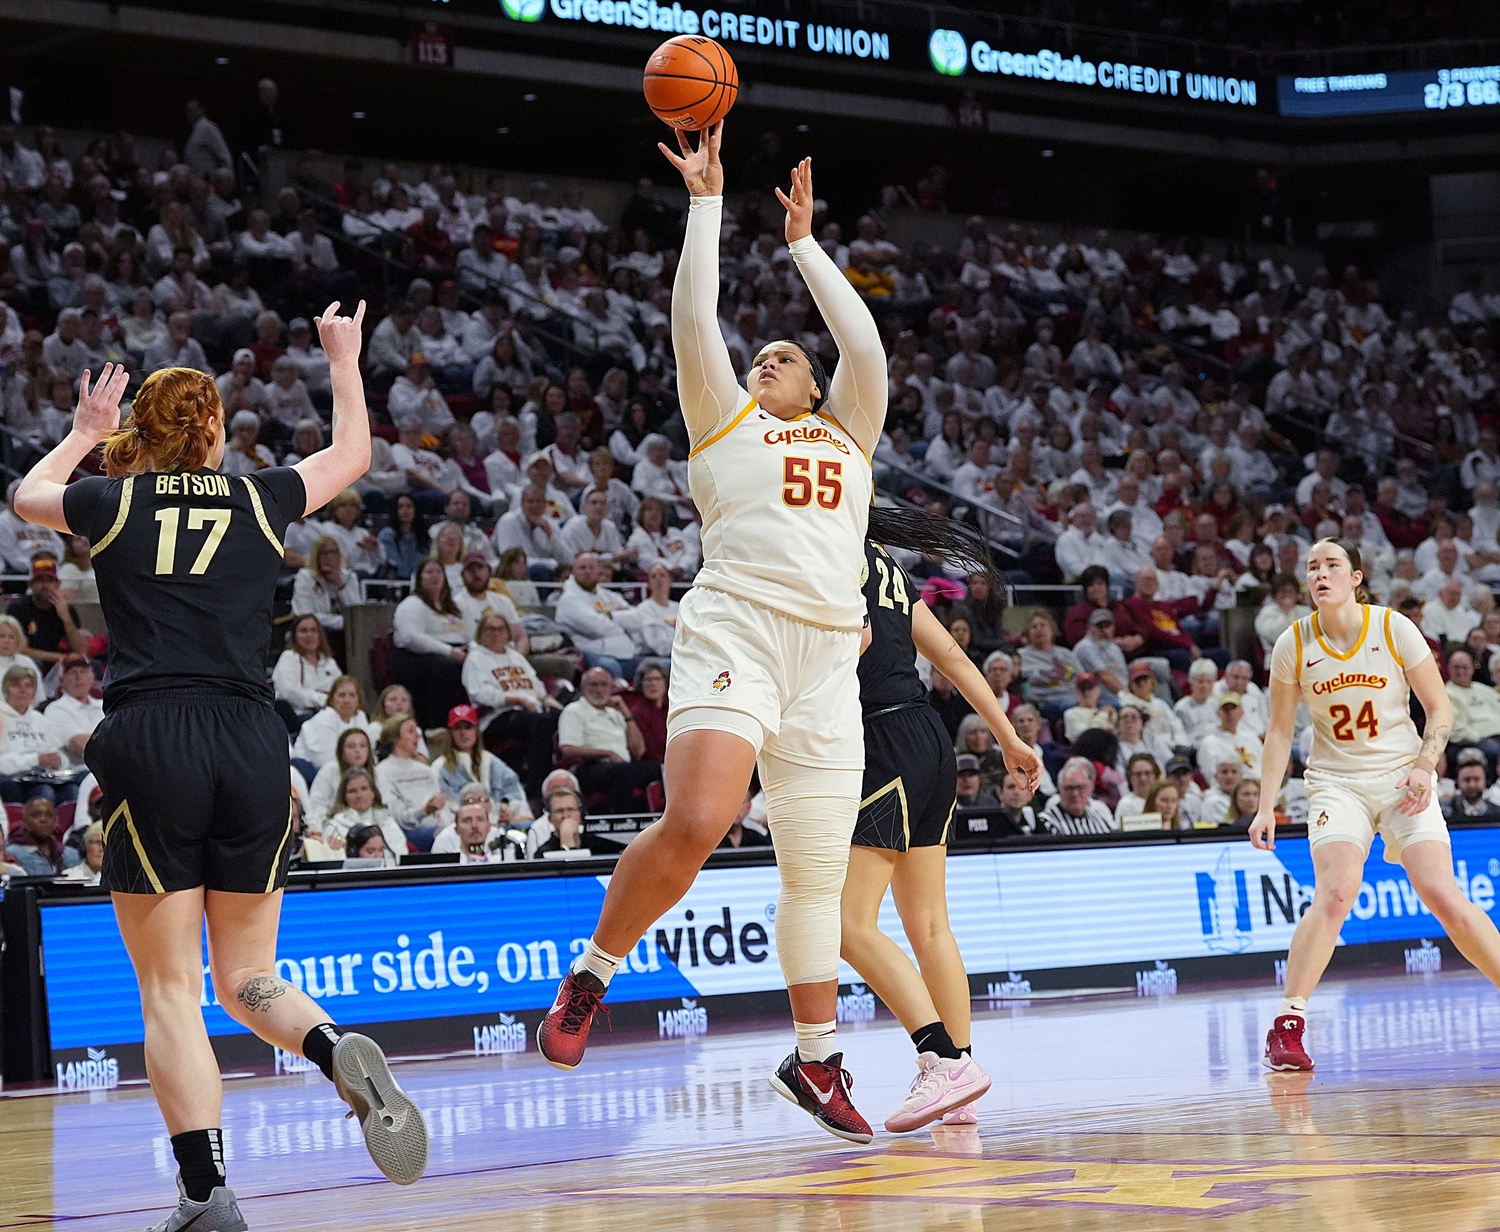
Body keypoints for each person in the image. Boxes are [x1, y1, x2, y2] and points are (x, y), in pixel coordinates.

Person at [13, 318, 425, 1229]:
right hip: (249, 737)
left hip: (154, 731)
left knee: (170, 989)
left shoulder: (111, 501)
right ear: (214, 432)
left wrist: (85, 431)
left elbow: (27, 494)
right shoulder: (261, 497)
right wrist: (344, 361)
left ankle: (206, 1195)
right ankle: (328, 1045)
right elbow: (353, 454)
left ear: (143, 433)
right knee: (248, 974)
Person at [537, 133, 888, 1144]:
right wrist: (706, 206)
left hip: (829, 655)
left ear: (813, 390)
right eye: (760, 356)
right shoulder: (724, 421)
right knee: (699, 816)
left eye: (785, 358)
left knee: (816, 871)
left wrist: (805, 246)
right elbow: (695, 317)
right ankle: (592, 975)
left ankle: (815, 1059)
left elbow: (862, 348)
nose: (766, 359)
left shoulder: (846, 430)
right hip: (738, 622)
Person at [1250, 538, 1500, 1075]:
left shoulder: (1393, 628)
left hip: (1402, 778)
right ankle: (1288, 1024)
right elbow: (1277, 731)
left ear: (1356, 577)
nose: (1320, 574)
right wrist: (1266, 804)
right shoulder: (1293, 643)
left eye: (1332, 565)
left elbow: (1439, 711)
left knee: (1443, 895)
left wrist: (1426, 765)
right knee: (1337, 892)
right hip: (1336, 782)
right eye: (1312, 567)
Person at [841, 540, 1039, 1133]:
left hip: (881, 741)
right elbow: (953, 658)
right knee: (929, 924)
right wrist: (1006, 736)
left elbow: (856, 643)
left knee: (844, 925)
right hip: (930, 737)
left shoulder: (825, 553)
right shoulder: (885, 565)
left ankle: (942, 1060)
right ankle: (965, 1080)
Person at [557, 666, 662, 813]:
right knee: (622, 773)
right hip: (589, 767)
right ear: (582, 687)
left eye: (604, 685)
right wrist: (607, 753)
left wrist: (626, 714)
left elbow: (639, 750)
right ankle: (623, 820)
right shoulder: (574, 711)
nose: (599, 690)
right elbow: (567, 749)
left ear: (611, 688)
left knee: (664, 768)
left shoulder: (616, 713)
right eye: (594, 685)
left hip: (623, 767)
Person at [391, 558, 468, 728]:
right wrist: (449, 651)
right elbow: (411, 638)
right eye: (429, 572)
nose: (435, 576)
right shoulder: (411, 605)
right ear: (419, 579)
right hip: (414, 658)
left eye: (438, 572)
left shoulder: (452, 607)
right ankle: (437, 726)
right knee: (446, 667)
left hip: (453, 652)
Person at [555, 551, 641, 680]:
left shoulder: (607, 595)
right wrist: (622, 626)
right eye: (582, 568)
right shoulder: (569, 599)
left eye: (591, 567)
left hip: (626, 651)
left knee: (660, 666)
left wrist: (610, 617)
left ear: (598, 570)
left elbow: (637, 619)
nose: (587, 572)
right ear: (573, 571)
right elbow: (597, 628)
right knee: (608, 667)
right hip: (590, 654)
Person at [0, 665, 77, 803]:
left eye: (28, 686)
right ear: (6, 689)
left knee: (72, 789)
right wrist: (36, 759)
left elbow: (59, 755)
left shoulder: (40, 719)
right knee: (44, 792)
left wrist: (59, 761)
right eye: (16, 686)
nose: (23, 691)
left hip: (45, 776)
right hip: (12, 780)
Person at [432, 704, 528, 815]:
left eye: (468, 727)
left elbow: (513, 787)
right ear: (450, 733)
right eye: (458, 728)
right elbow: (447, 805)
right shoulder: (440, 767)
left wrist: (506, 806)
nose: (463, 733)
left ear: (476, 731)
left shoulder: (491, 761)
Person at [374, 714, 450, 850]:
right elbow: (394, 817)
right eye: (410, 731)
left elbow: (443, 810)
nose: (417, 736)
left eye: (417, 731)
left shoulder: (426, 770)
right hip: (405, 834)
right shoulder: (382, 771)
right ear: (395, 738)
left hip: (436, 827)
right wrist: (424, 811)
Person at [10, 552, 89, 668]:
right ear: (30, 584)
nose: (44, 585)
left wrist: (66, 618)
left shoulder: (66, 609)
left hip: (61, 666)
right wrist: (59, 658)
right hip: (29, 663)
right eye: (39, 580)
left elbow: (82, 650)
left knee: (88, 666)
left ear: (58, 584)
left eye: (50, 580)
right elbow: (20, 649)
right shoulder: (18, 608)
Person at [313, 766, 405, 864]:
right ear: (344, 797)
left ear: (373, 793)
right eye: (352, 791)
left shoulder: (387, 822)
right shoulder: (334, 827)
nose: (359, 795)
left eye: (364, 789)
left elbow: (401, 855)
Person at [272, 614, 342, 728]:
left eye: (313, 630)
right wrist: (322, 699)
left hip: (331, 712)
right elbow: (289, 692)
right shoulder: (289, 657)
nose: (309, 635)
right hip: (301, 717)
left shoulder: (328, 661)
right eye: (303, 631)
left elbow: (341, 687)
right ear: (295, 636)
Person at [291, 675, 367, 776]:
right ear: (331, 700)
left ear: (358, 700)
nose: (347, 700)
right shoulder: (325, 718)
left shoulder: (360, 717)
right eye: (341, 695)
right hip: (314, 774)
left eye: (352, 695)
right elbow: (324, 761)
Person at [45, 653, 105, 772]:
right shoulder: (56, 709)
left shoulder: (104, 705)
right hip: (78, 772)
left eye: (83, 671)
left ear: (92, 677)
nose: (78, 677)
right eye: (72, 672)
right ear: (61, 681)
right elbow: (78, 745)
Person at [291, 535, 364, 633]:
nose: (328, 558)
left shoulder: (349, 577)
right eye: (324, 553)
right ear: (316, 556)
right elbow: (305, 615)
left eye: (333, 553)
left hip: (346, 634)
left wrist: (341, 585)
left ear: (339, 556)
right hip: (313, 631)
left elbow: (356, 614)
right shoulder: (305, 577)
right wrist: (342, 622)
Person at [1037, 757, 1117, 835]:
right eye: (1069, 788)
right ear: (1059, 790)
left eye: (1080, 788)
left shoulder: (1099, 816)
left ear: (1091, 788)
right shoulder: (1045, 822)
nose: (1075, 794)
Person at [4, 795, 79, 875]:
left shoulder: (71, 854)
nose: (43, 820)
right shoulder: (12, 853)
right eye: (36, 815)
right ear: (24, 820)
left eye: (49, 815)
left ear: (55, 820)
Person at [526, 785, 589, 857]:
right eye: (559, 811)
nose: (566, 816)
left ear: (580, 814)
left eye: (571, 809)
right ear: (550, 818)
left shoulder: (597, 845)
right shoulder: (543, 853)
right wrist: (566, 838)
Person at [1444, 749, 1500, 823]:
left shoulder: (1497, 812)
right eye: (1467, 780)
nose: (1472, 785)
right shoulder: (1445, 810)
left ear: (1486, 782)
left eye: (1476, 779)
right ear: (1457, 783)